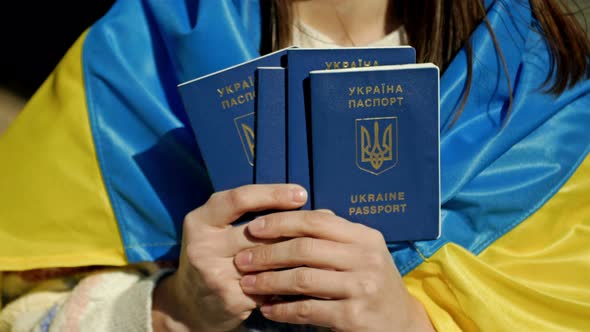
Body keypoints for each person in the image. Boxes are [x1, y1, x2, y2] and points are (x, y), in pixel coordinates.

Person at [0, 0, 589, 331]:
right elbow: (22, 305)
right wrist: (171, 310)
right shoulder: (143, 44)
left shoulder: (550, 91)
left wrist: (410, 324)